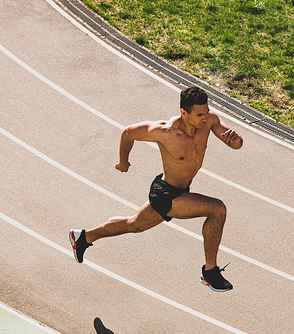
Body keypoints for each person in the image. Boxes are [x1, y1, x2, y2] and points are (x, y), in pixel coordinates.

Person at [70, 86, 243, 292]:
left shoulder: (209, 121)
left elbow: (237, 145)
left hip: (181, 190)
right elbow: (128, 133)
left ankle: (83, 237)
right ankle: (210, 271)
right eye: (199, 114)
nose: (204, 118)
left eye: (206, 112)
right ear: (183, 112)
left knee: (134, 224)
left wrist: (235, 140)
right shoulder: (166, 132)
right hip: (166, 194)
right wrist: (123, 162)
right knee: (217, 209)